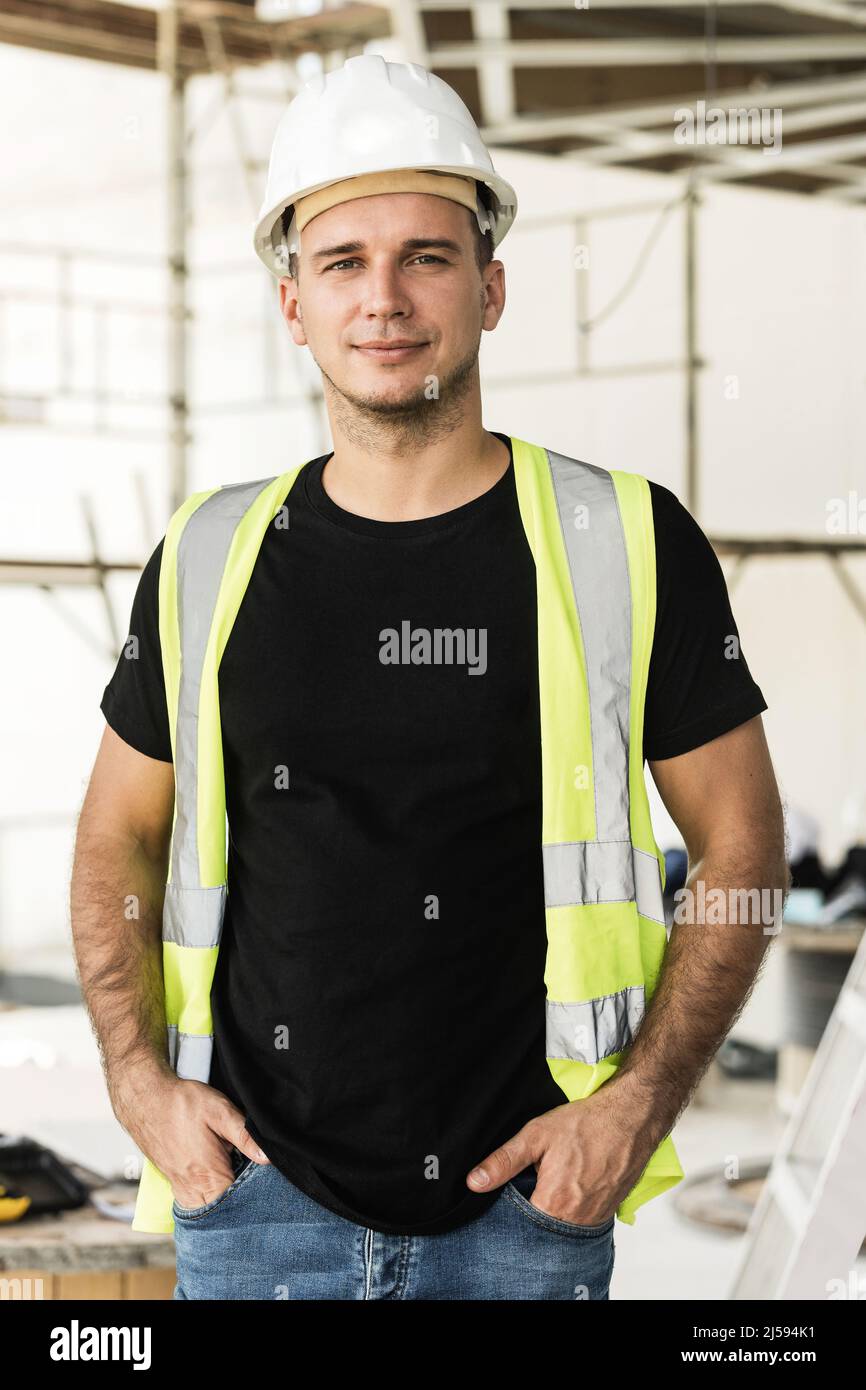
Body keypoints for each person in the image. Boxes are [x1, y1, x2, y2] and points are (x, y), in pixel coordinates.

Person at [71, 55, 789, 1301]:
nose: (384, 300)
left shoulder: (619, 538)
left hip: (524, 1216)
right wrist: (140, 1085)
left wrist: (631, 1110)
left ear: (490, 287)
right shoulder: (207, 554)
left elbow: (741, 847)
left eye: (427, 256)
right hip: (255, 1211)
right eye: (342, 261)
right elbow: (113, 843)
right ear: (291, 303)